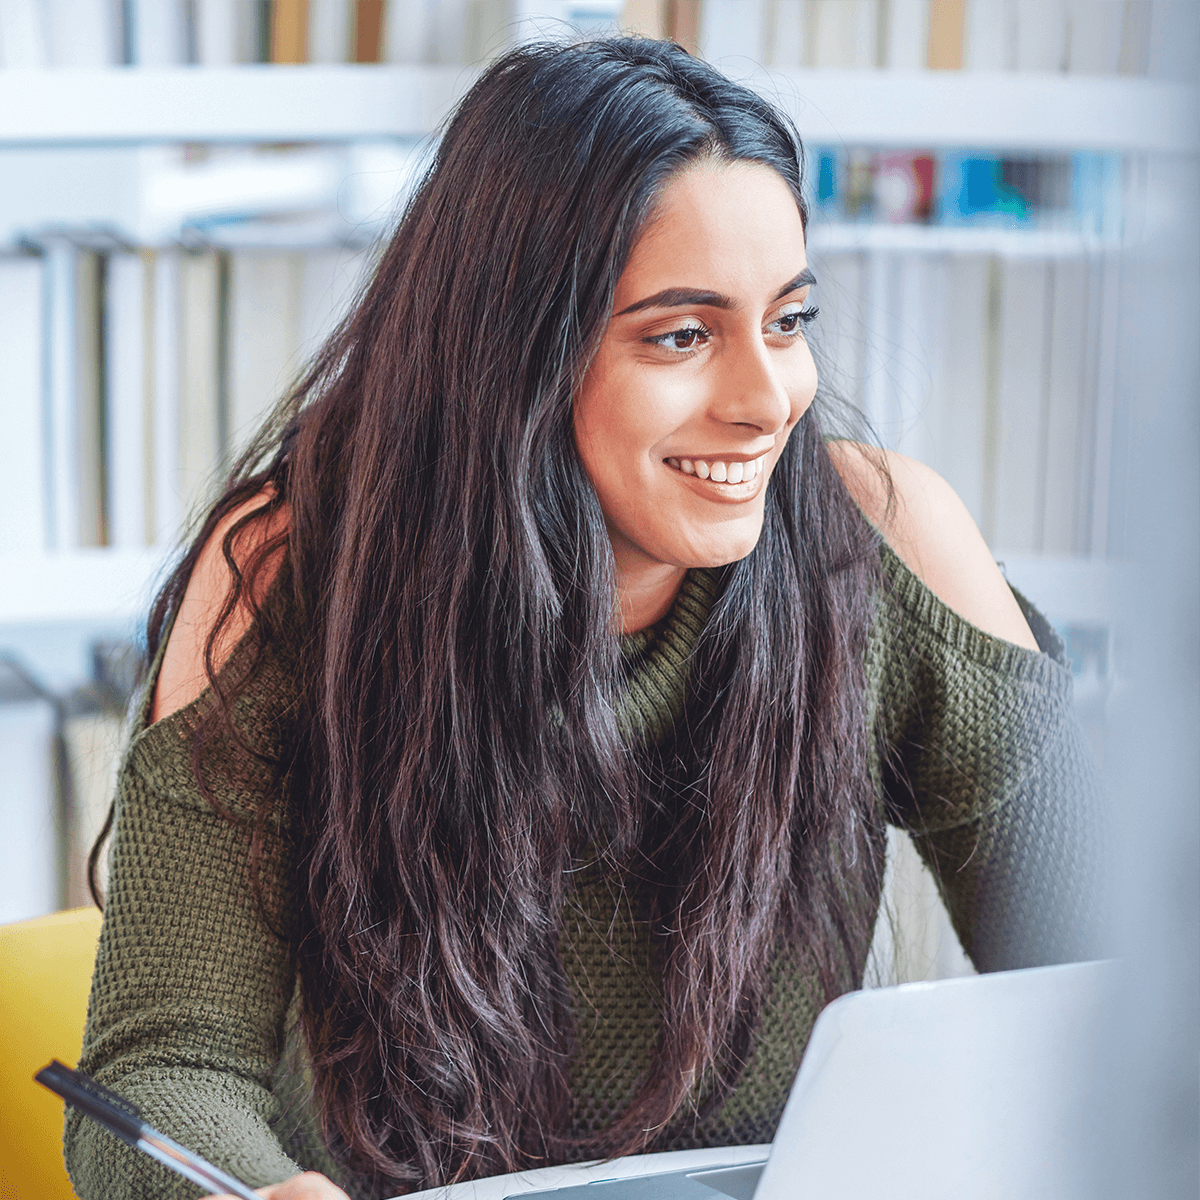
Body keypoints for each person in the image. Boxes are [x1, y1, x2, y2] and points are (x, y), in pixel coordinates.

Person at [65, 36, 1106, 1200]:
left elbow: (1120, 988)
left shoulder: (886, 537)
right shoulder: (290, 570)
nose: (768, 401)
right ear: (516, 354)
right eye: (682, 334)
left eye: (789, 321)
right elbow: (164, 1073)